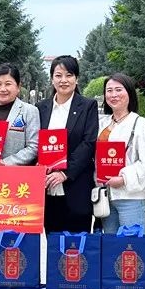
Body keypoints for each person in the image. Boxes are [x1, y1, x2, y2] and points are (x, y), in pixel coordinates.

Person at [37, 55, 99, 234]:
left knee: (77, 244)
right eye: (58, 75)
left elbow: (88, 143)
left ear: (76, 79)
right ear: (52, 79)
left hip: (76, 187)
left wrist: (65, 173)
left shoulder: (88, 106)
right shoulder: (41, 108)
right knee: (53, 242)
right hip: (47, 188)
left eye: (69, 75)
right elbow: (35, 142)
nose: (63, 80)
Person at [96, 73, 145, 233]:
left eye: (118, 90)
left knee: (131, 246)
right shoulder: (101, 124)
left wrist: (124, 179)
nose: (113, 95)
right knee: (110, 245)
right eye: (109, 90)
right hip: (106, 198)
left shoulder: (142, 125)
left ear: (129, 93)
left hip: (131, 198)